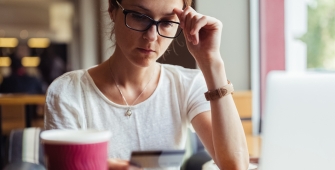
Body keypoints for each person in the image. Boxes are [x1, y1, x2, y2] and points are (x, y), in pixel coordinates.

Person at [44, 0, 249, 169]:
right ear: (112, 10)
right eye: (140, 17)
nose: (152, 36)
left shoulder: (186, 85)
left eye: (168, 22)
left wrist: (211, 61)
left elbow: (235, 165)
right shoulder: (68, 91)